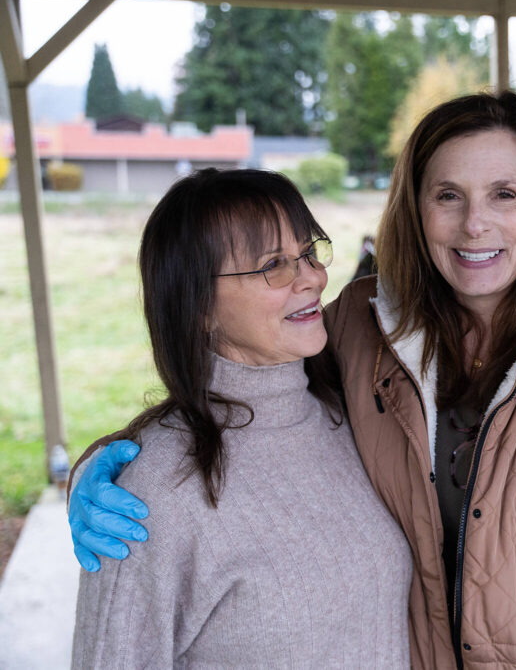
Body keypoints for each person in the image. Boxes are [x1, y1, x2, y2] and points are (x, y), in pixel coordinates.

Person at [70, 92, 516, 668]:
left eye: (504, 194)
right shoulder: (360, 330)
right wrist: (110, 471)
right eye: (448, 195)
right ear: (417, 209)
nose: (475, 224)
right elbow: (250, 396)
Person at [69, 169, 412, 668]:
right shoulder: (147, 498)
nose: (314, 276)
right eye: (273, 265)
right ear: (198, 305)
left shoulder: (355, 412)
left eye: (308, 251)